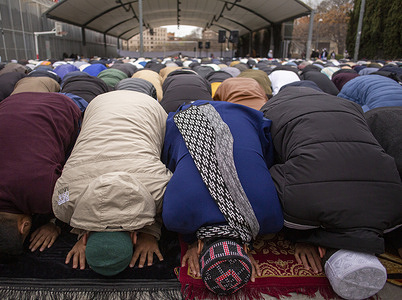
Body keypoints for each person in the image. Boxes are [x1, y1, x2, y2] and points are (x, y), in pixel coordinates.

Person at [260, 86, 402, 300]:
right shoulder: (300, 203)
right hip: (294, 108)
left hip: (296, 108)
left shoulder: (394, 207)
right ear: (321, 252)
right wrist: (302, 236)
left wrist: (302, 236)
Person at [162, 100, 284, 295]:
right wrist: (191, 240)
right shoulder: (176, 217)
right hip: (191, 116)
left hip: (246, 117)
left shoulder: (270, 220)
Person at [52, 90, 172, 275]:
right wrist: (150, 233)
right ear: (134, 236)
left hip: (146, 108)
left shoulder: (160, 190)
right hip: (104, 105)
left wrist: (150, 233)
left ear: (134, 237)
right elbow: (63, 196)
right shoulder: (63, 203)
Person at [0, 92, 82, 263]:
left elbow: (69, 199)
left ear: (24, 227)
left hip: (62, 105)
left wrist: (55, 223)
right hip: (11, 101)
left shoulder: (46, 196)